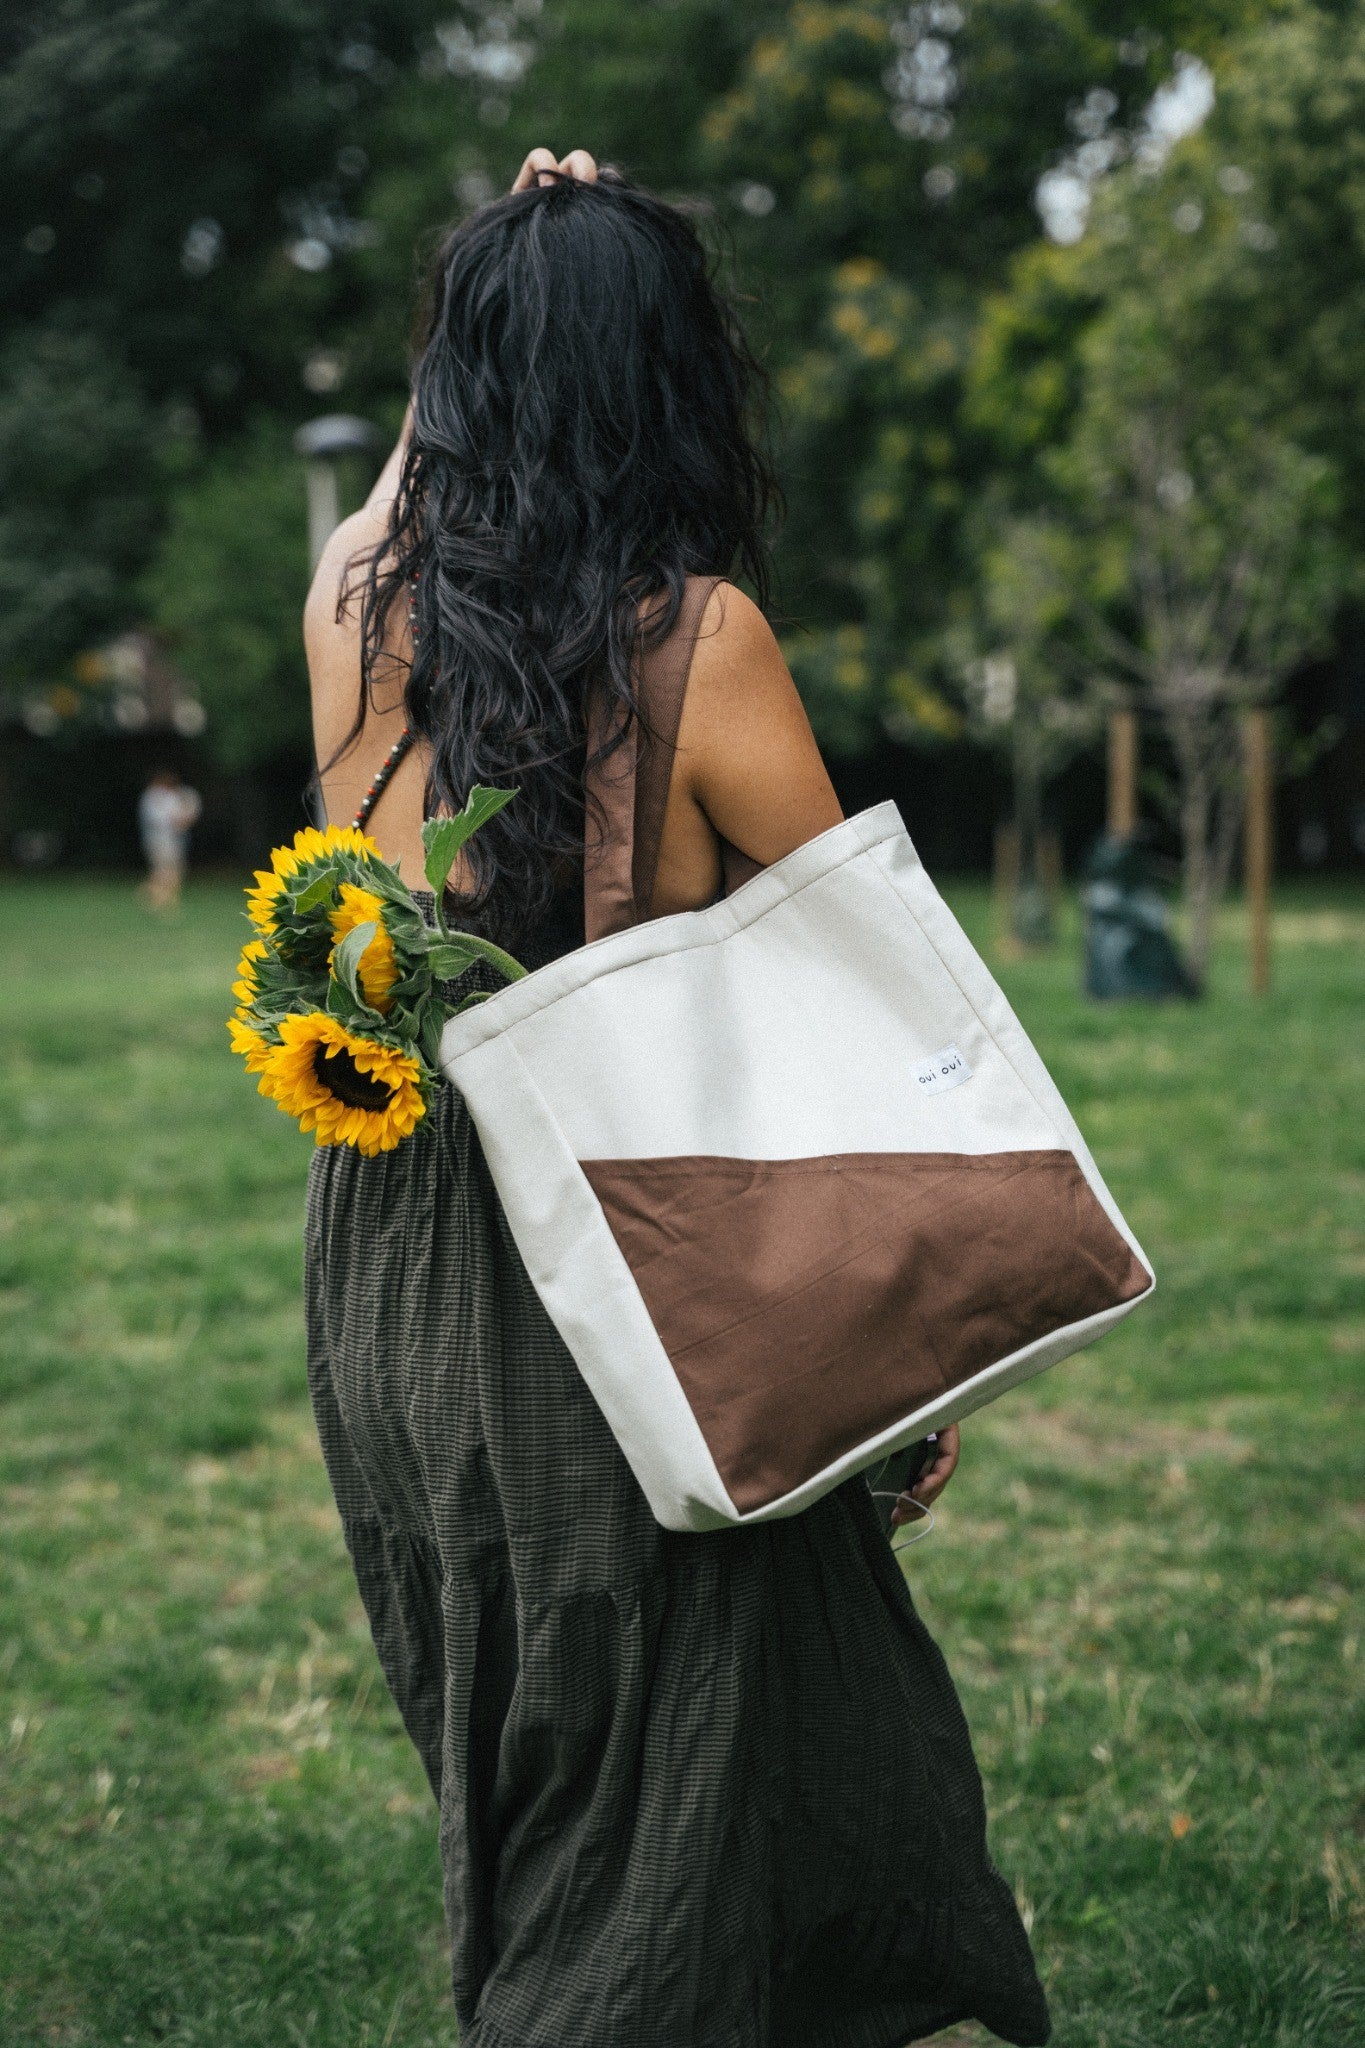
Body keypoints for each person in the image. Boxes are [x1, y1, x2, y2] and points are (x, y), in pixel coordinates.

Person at [301, 148, 1050, 2048]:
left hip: (399, 1256)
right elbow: (862, 990)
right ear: (669, 383)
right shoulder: (694, 639)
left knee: (550, 1729)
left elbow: (409, 479)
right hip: (631, 1238)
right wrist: (898, 1360)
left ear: (455, 389)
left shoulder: (348, 607)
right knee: (661, 1779)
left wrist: (497, 261)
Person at [137, 767, 201, 913]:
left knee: (173, 872)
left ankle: (163, 901)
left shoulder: (170, 795)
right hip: (160, 838)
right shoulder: (153, 796)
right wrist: (179, 819)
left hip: (172, 839)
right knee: (167, 872)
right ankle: (155, 898)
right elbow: (162, 819)